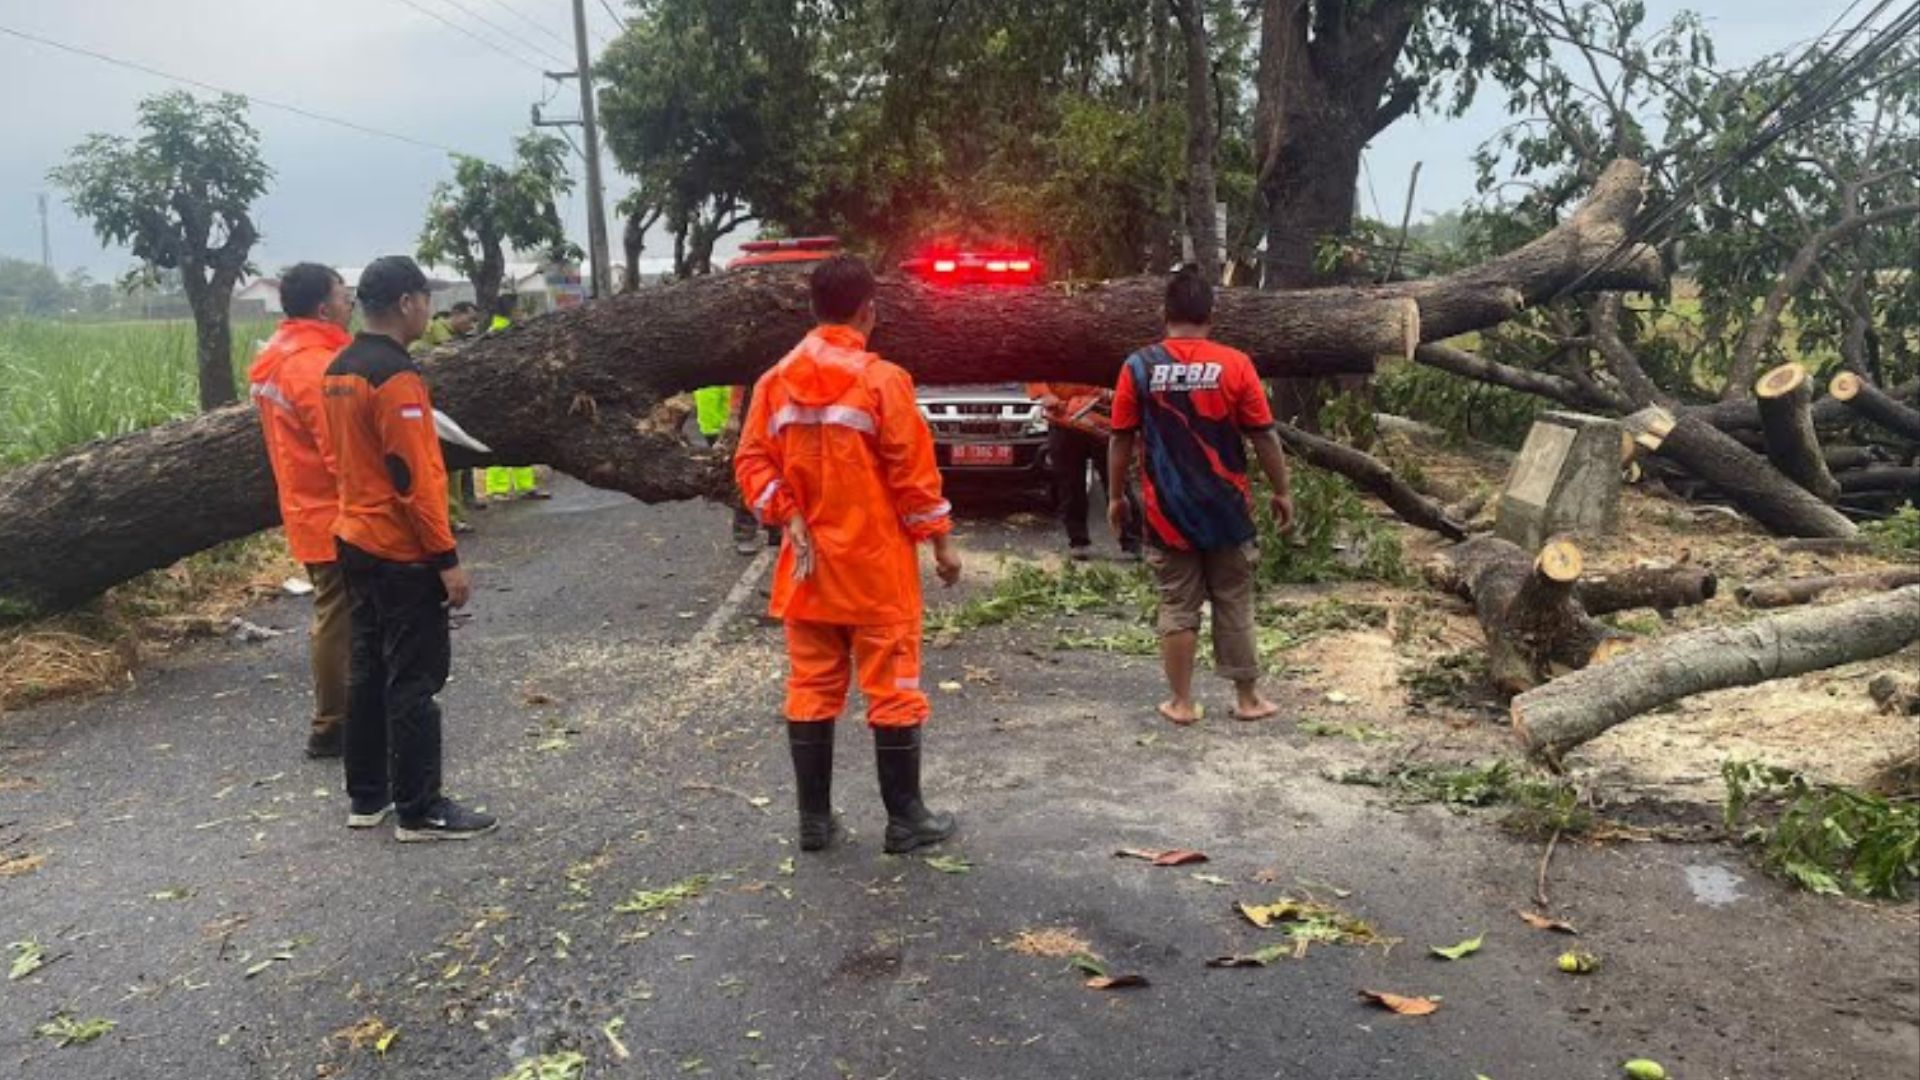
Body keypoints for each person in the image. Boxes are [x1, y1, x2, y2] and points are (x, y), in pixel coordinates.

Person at [734, 255, 963, 854]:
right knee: (893, 688)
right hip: (875, 571)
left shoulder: (773, 381)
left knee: (811, 686)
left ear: (813, 308)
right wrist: (941, 542)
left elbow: (751, 465)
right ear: (869, 310)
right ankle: (906, 819)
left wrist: (787, 512)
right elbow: (914, 477)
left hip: (809, 573)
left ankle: (814, 821)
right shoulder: (882, 380)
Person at [323, 256, 497, 841]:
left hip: (353, 537)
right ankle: (421, 808)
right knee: (415, 678)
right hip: (398, 550)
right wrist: (445, 559)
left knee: (367, 669)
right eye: (425, 300)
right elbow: (414, 477)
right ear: (406, 303)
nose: (429, 311)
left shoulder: (340, 368)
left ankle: (367, 796)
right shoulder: (396, 377)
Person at [1107, 269, 1294, 727]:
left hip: (1167, 511)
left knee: (1177, 603)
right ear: (1212, 314)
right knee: (1233, 597)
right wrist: (1282, 490)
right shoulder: (1236, 365)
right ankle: (1249, 699)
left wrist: (1115, 497)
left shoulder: (1139, 366)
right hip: (1228, 507)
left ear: (1164, 314)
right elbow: (1265, 437)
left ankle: (1182, 703)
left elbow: (1119, 439)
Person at [249, 263, 355, 759]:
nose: (349, 303)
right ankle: (333, 722)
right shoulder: (313, 365)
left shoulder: (278, 356)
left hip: (306, 505)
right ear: (322, 307)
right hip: (334, 509)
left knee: (336, 608)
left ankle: (340, 716)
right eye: (343, 295)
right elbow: (340, 448)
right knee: (338, 612)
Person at [1025, 380, 1142, 559]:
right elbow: (1035, 367)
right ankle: (1078, 541)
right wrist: (1044, 394)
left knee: (1117, 481)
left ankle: (1132, 541)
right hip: (1063, 419)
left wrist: (1112, 393)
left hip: (1101, 416)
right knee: (1070, 484)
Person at [412, 301, 482, 528]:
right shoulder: (436, 334)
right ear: (456, 314)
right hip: (433, 408)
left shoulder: (445, 334)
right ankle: (449, 517)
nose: (471, 325)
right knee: (447, 466)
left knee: (453, 468)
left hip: (442, 406)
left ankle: (453, 515)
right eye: (469, 319)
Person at [481, 294, 547, 501]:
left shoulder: (511, 330)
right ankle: (499, 488)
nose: (522, 313)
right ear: (510, 309)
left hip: (515, 395)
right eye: (518, 308)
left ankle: (524, 485)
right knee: (499, 443)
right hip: (499, 396)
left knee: (521, 441)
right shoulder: (498, 332)